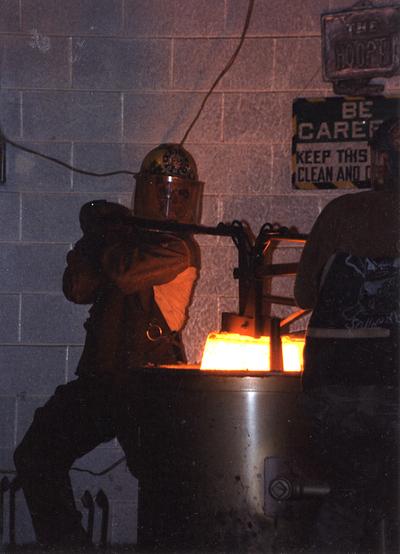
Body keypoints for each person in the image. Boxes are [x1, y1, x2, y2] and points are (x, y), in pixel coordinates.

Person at [13, 143, 202, 548]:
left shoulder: (178, 247)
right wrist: (97, 239)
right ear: (145, 190)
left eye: (182, 193)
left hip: (151, 384)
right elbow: (77, 288)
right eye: (163, 190)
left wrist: (104, 233)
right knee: (36, 455)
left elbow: (124, 271)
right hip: (104, 379)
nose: (172, 201)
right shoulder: (124, 239)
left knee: (162, 485)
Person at [294, 117, 400, 553]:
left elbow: (303, 294)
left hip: (333, 386)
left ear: (379, 162)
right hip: (394, 382)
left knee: (349, 492)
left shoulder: (339, 214)